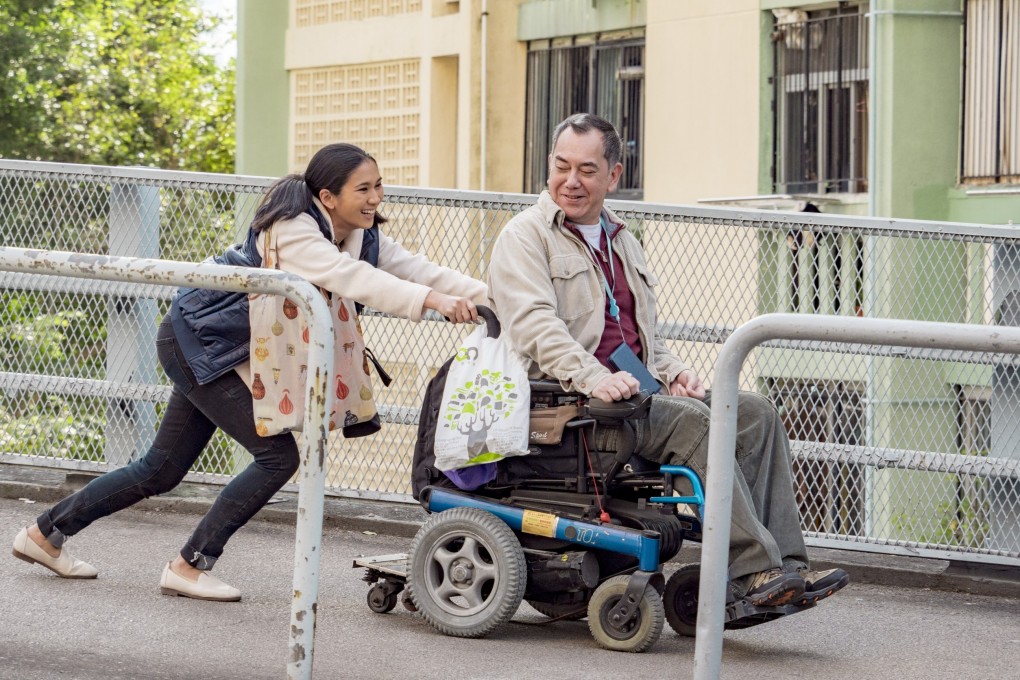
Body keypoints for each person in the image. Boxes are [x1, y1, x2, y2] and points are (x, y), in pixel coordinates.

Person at [12, 143, 487, 602]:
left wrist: (491, 298)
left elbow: (417, 269)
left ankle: (45, 534)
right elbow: (351, 278)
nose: (376, 197)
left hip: (223, 349)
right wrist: (434, 304)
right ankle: (190, 566)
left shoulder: (363, 235)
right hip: (200, 340)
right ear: (328, 197)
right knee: (277, 458)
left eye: (379, 186)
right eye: (363, 189)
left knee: (161, 468)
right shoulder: (294, 230)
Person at [486, 113, 848, 607]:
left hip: (636, 396)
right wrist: (593, 377)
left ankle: (787, 568)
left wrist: (672, 370)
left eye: (587, 170)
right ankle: (748, 571)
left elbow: (641, 337)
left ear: (613, 176)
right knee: (696, 423)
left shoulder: (622, 239)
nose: (570, 181)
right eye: (561, 166)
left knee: (755, 413)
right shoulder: (525, 237)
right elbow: (533, 327)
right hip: (573, 407)